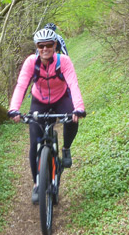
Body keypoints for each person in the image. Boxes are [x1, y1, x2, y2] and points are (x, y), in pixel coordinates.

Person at [8, 28, 86, 204]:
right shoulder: (31, 62)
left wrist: (78, 108)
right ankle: (37, 183)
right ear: (36, 46)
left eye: (49, 45)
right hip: (39, 101)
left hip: (60, 98)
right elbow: (21, 85)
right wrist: (14, 108)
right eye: (41, 46)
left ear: (55, 45)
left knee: (71, 119)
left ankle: (65, 148)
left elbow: (73, 84)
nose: (45, 49)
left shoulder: (63, 61)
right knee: (34, 143)